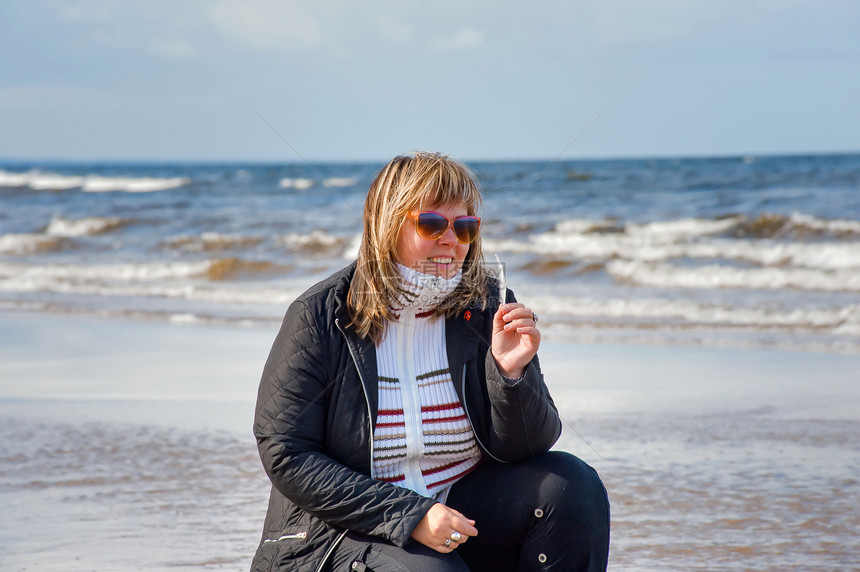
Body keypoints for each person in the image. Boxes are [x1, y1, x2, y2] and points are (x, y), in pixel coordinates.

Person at [252, 152, 610, 571]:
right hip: (347, 531)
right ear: (387, 225)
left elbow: (529, 447)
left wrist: (509, 376)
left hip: (460, 508)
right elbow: (286, 454)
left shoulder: (488, 304)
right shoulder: (320, 315)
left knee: (574, 487)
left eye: (465, 227)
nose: (452, 240)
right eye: (432, 224)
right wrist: (411, 515)